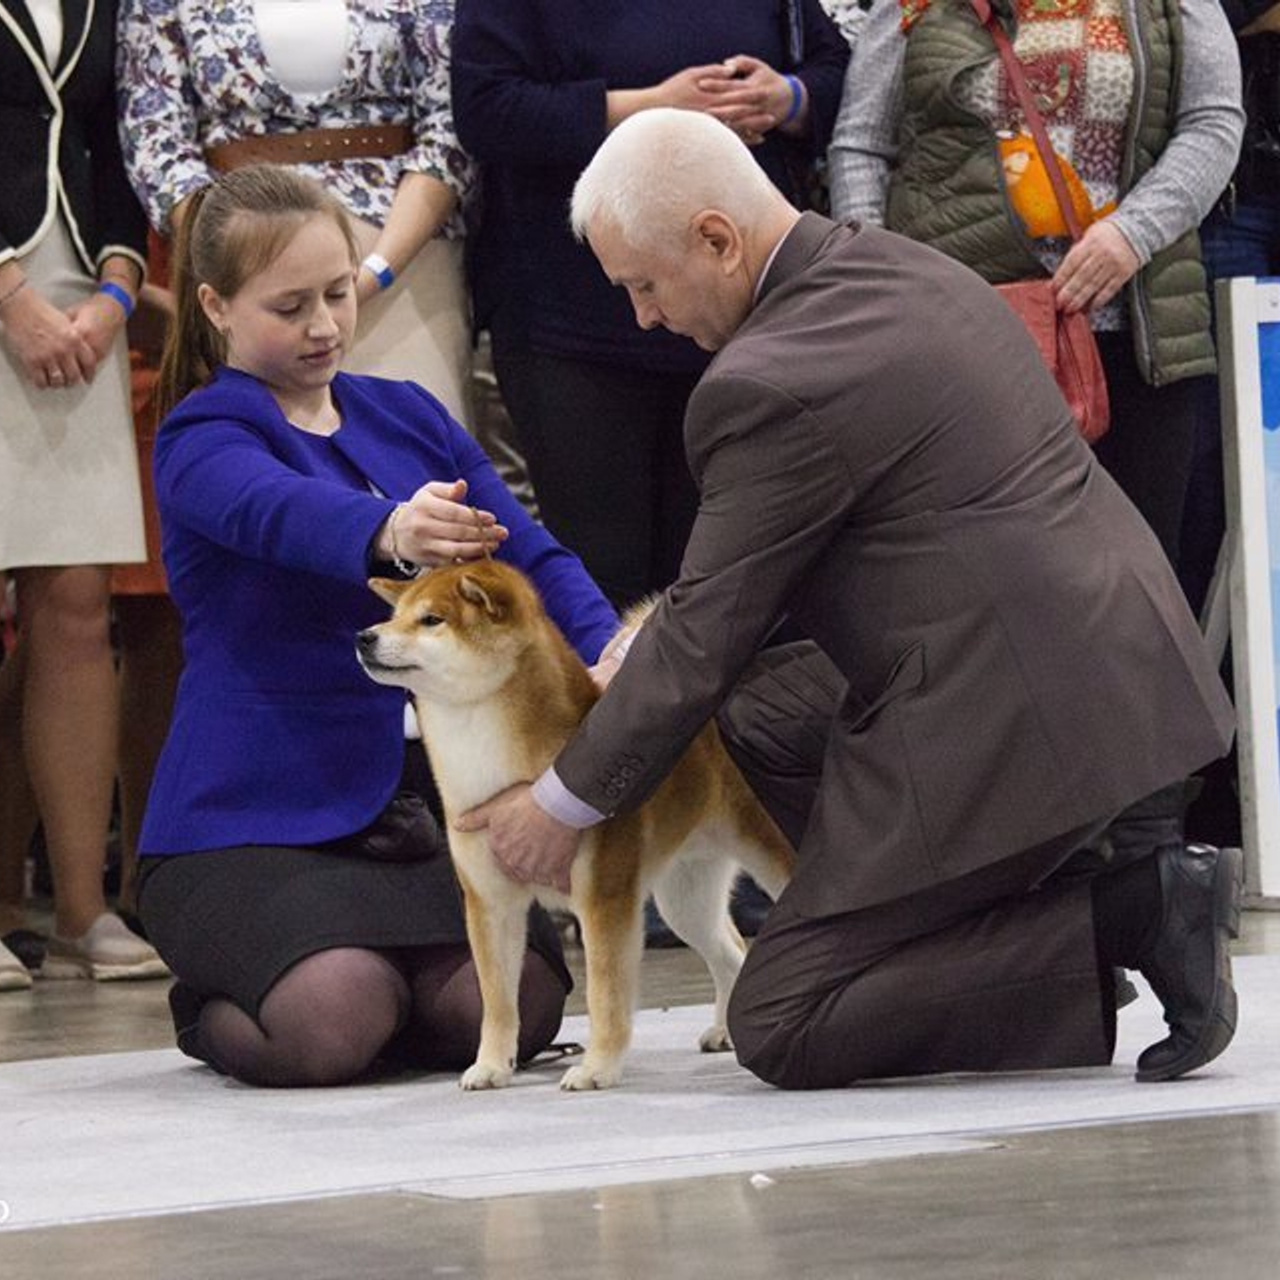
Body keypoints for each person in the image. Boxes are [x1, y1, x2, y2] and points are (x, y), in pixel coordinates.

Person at [457, 108, 1239, 1091]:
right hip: (1105, 652)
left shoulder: (766, 379)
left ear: (715, 237)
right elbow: (785, 577)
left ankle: (1126, 909)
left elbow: (703, 633)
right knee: (752, 716)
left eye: (644, 286)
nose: (643, 317)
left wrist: (559, 805)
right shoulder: (895, 265)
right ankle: (1009, 914)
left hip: (1012, 703)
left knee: (784, 1017)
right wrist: (656, 646)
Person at [136, 164, 618, 1087]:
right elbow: (275, 512)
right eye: (289, 306)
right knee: (332, 1019)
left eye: (336, 292)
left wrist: (610, 649)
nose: (324, 325)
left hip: (406, 808)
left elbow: (531, 558)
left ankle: (376, 989)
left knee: (516, 1007)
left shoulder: (408, 415)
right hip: (244, 823)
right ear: (216, 305)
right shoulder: (200, 436)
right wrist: (389, 528)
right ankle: (211, 1003)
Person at [826, 0, 1244, 881]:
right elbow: (861, 146)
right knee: (1005, 609)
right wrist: (884, 282)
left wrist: (1133, 234)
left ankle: (1149, 869)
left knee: (1140, 604)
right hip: (970, 347)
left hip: (1137, 340)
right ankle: (1044, 877)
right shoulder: (911, 7)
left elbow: (1213, 122)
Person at [451, 0, 851, 609]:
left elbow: (833, 69)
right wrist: (646, 110)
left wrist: (786, 99)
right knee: (599, 578)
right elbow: (486, 110)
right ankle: (615, 707)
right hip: (571, 322)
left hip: (733, 320)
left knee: (730, 576)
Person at [0, 0, 168, 985]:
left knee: (74, 605)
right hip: (12, 285)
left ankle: (81, 909)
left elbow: (109, 136)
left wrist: (113, 287)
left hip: (74, 294)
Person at [116, 0, 473, 423]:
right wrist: (236, 258)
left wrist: (372, 274)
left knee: (421, 456)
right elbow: (154, 138)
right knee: (273, 467)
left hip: (408, 267)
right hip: (250, 288)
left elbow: (451, 126)